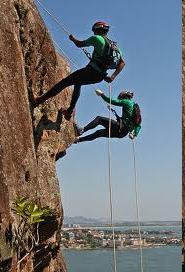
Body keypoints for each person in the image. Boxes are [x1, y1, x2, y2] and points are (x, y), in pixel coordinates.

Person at [34, 21, 125, 120]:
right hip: (100, 76)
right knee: (78, 83)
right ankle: (69, 111)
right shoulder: (115, 48)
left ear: (97, 30)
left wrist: (73, 39)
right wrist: (112, 76)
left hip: (90, 71)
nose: (93, 33)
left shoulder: (96, 38)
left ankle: (39, 100)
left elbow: (79, 44)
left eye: (94, 31)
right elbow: (122, 63)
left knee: (65, 82)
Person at [74, 89, 141, 143]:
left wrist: (102, 95)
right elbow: (139, 125)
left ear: (124, 96)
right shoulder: (135, 107)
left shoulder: (127, 102)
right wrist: (134, 134)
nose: (121, 100)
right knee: (99, 133)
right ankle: (78, 140)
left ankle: (82, 130)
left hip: (119, 127)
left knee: (99, 119)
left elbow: (112, 101)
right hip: (122, 133)